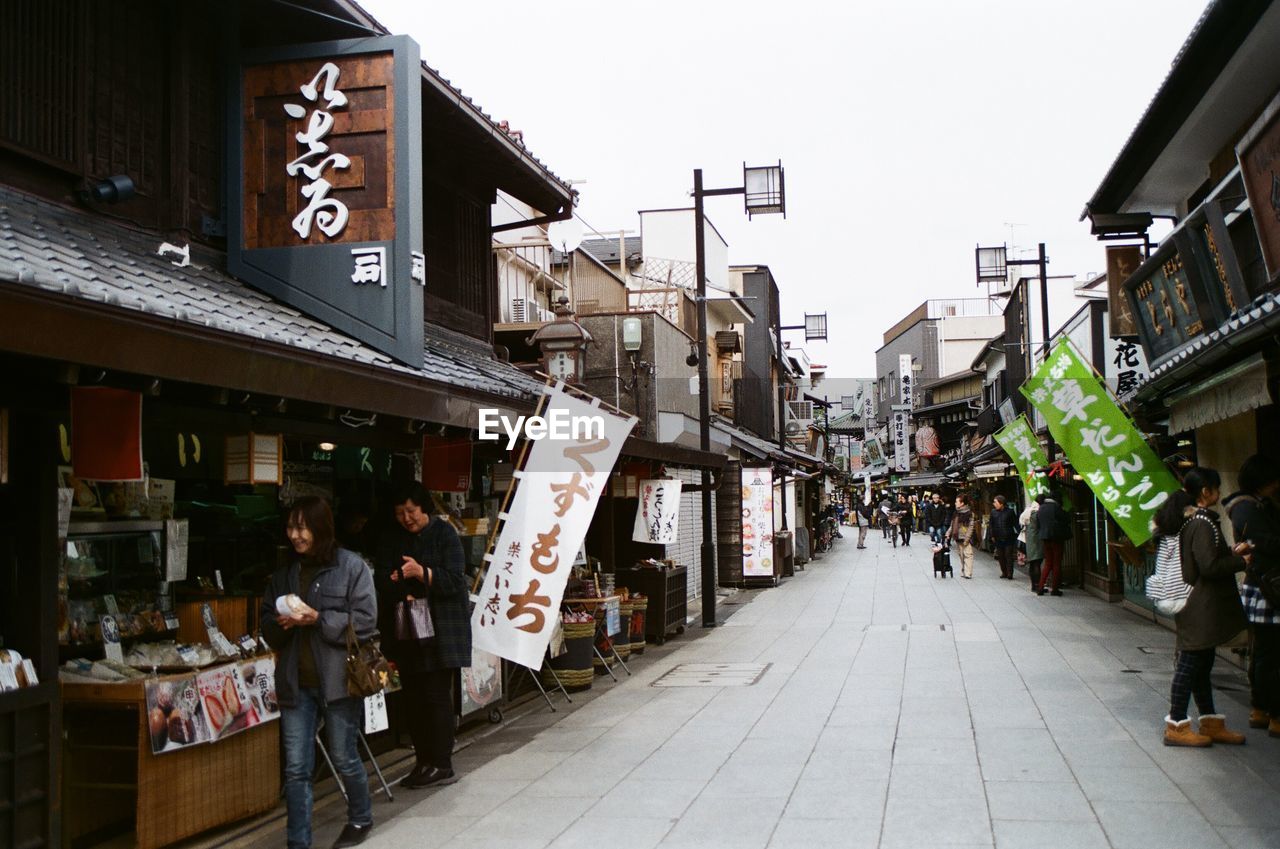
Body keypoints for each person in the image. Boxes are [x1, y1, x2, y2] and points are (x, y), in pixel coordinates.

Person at [261, 497, 377, 849]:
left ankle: (360, 817)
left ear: (320, 527)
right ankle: (298, 841)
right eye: (291, 527)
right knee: (296, 768)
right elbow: (267, 623)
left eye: (302, 527)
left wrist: (318, 619)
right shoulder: (284, 574)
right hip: (296, 683)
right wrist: (281, 624)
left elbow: (367, 621)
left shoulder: (352, 567)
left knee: (343, 756)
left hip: (339, 680)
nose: (295, 535)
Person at [376, 483, 472, 788]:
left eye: (411, 511)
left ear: (424, 509)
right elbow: (383, 579)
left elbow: (456, 581)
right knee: (413, 698)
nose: (406, 518)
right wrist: (399, 585)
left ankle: (442, 763)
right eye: (400, 513)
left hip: (441, 632)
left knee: (435, 697)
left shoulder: (445, 535)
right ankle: (423, 761)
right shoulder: (395, 539)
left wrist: (422, 573)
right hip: (408, 632)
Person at [1160, 467, 1251, 747]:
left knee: (1201, 664)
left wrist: (1232, 553)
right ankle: (1176, 725)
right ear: (1205, 492)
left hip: (1200, 606)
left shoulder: (1195, 521)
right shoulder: (1201, 523)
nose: (1219, 493)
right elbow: (1209, 566)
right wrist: (1240, 562)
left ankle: (1210, 722)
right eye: (1216, 488)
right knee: (1190, 665)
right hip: (1201, 607)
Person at [1224, 454, 1280, 738]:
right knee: (1270, 653)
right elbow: (1267, 543)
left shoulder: (1256, 505)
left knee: (1265, 651)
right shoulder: (1247, 508)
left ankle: (1261, 709)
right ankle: (1272, 713)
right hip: (1267, 588)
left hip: (1263, 587)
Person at [1035, 491, 1070, 596]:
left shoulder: (1041, 508)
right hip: (1056, 537)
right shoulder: (1056, 507)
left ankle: (1040, 587)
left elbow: (1038, 523)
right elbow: (1066, 519)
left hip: (1045, 538)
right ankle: (1055, 589)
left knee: (1048, 562)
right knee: (1056, 563)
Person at [988, 495, 1020, 580]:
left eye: (995, 502)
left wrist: (1020, 533)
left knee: (1008, 556)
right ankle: (1004, 572)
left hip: (1008, 536)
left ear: (1001, 503)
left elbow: (1015, 523)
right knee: (1001, 556)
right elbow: (991, 524)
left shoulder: (1010, 512)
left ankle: (1010, 573)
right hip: (997, 537)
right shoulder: (993, 512)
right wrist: (992, 535)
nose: (994, 504)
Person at [947, 494, 978, 579]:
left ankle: (968, 573)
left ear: (962, 503)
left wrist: (967, 538)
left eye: (957, 502)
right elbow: (952, 524)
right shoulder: (956, 512)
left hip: (965, 537)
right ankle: (964, 570)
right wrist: (948, 533)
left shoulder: (969, 513)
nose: (955, 503)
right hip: (957, 536)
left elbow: (971, 527)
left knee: (968, 554)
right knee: (961, 555)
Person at [1019, 494, 1045, 590]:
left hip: (1029, 540)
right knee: (1037, 563)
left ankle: (1034, 585)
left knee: (1032, 563)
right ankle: (1038, 585)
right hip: (1036, 541)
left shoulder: (1028, 511)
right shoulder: (1036, 513)